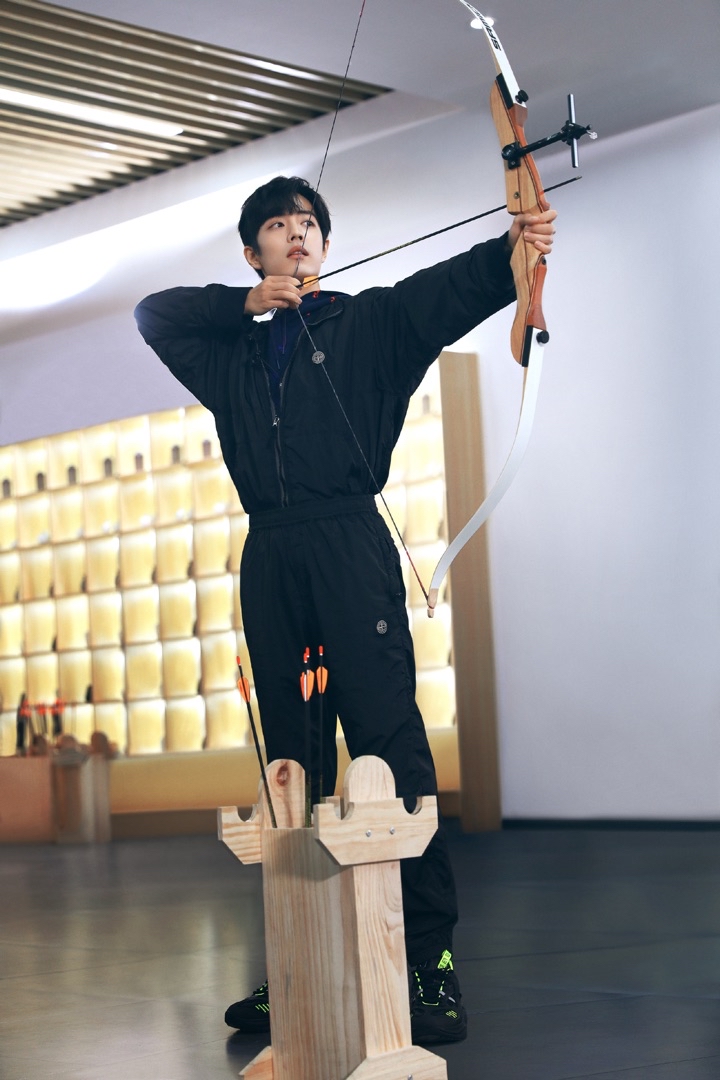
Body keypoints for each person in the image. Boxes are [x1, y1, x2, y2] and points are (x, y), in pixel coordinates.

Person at [134, 175, 556, 1046]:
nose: (297, 234)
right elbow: (154, 313)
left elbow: (461, 284)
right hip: (272, 555)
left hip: (348, 547)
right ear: (253, 251)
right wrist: (246, 304)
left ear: (324, 246)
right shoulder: (228, 353)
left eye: (308, 224)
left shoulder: (372, 323)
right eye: (277, 225)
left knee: (388, 744)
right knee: (290, 762)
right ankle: (298, 958)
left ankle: (429, 963)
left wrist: (519, 243)